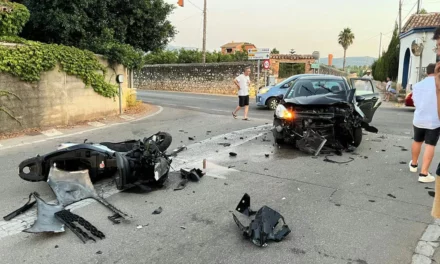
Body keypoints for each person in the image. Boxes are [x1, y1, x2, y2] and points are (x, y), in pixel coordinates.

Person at [409, 63, 439, 183]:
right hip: (434, 120)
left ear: (427, 72)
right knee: (430, 145)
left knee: (417, 141)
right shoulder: (438, 84)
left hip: (419, 119)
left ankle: (414, 165)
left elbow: (415, 102)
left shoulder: (417, 85)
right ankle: (424, 173)